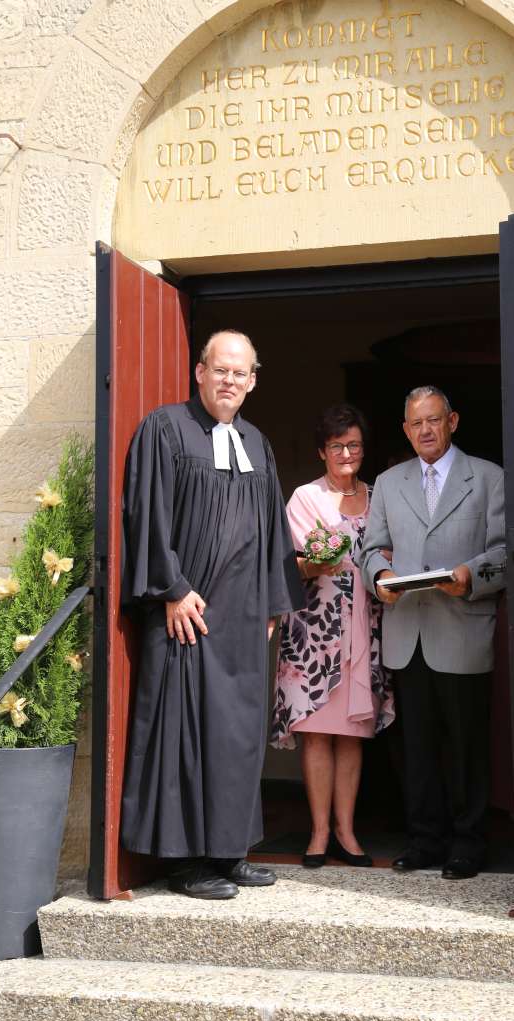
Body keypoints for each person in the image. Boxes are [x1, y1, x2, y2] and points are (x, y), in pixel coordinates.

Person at [120, 330, 304, 900]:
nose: (229, 380)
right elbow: (144, 512)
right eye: (219, 370)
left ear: (253, 380)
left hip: (244, 618)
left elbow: (273, 526)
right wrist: (172, 588)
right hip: (189, 614)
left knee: (238, 736)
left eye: (240, 372)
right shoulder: (165, 427)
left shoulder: (257, 442)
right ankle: (186, 862)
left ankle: (229, 852)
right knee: (187, 733)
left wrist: (275, 600)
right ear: (199, 372)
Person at [360, 386, 505, 880]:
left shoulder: (488, 478)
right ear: (405, 429)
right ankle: (423, 840)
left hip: (461, 628)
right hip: (407, 630)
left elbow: (506, 553)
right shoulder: (386, 482)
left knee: (465, 746)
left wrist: (469, 576)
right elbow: (372, 550)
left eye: (434, 420)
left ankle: (468, 843)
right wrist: (379, 578)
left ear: (453, 421)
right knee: (415, 747)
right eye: (416, 423)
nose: (425, 430)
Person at [272, 404, 395, 867]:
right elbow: (292, 562)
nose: (347, 453)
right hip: (314, 631)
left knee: (351, 734)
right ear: (322, 451)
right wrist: (315, 562)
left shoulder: (380, 494)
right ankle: (319, 833)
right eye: (338, 446)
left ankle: (347, 830)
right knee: (318, 734)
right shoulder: (305, 497)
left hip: (367, 625)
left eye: (355, 445)